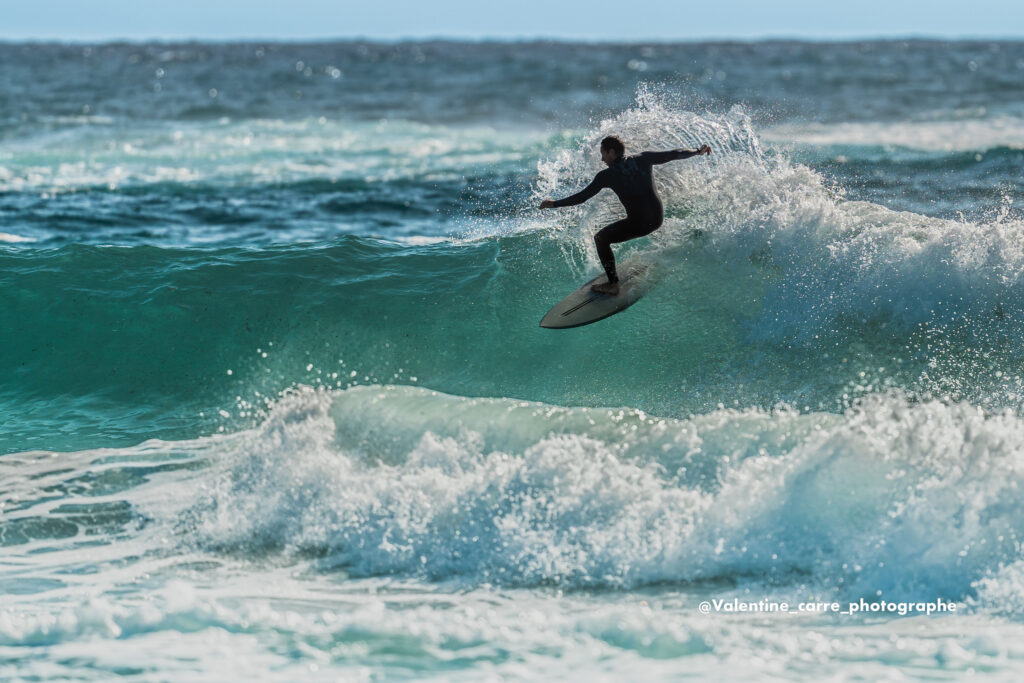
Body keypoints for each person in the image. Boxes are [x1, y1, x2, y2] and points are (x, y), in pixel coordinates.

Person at [539, 135, 712, 295]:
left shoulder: (606, 175)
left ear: (612, 152)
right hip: (658, 218)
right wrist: (698, 151)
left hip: (640, 223)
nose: (602, 159)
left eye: (603, 154)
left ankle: (613, 284)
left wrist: (554, 204)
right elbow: (675, 154)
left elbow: (582, 197)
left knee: (601, 238)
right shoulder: (643, 158)